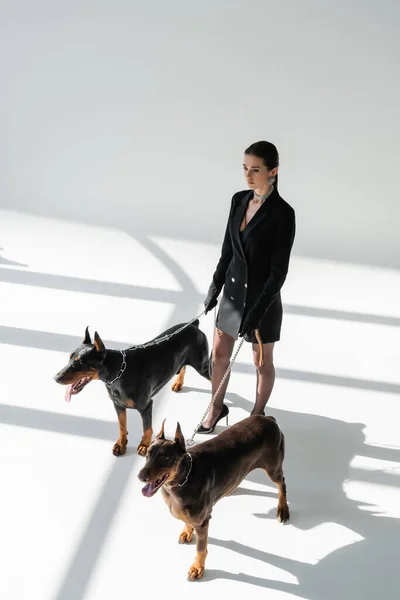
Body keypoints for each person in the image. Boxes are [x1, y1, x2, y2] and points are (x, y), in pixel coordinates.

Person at [198, 140, 296, 433]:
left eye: (256, 169)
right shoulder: (238, 200)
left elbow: (279, 272)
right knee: (218, 355)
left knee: (260, 362)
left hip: (262, 301)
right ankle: (216, 407)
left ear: (273, 171)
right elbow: (228, 249)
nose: (248, 176)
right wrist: (215, 285)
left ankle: (256, 415)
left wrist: (257, 311)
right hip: (232, 293)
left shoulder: (283, 213)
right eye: (245, 168)